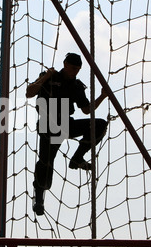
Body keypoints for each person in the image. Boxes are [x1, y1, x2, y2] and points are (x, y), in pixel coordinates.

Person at [26, 53, 108, 216]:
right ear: (65, 64)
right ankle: (39, 196)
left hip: (65, 123)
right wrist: (46, 77)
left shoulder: (76, 86)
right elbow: (29, 92)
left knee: (99, 125)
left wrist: (102, 96)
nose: (74, 72)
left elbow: (86, 109)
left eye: (77, 69)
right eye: (72, 68)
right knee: (46, 163)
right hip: (48, 124)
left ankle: (77, 158)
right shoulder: (49, 76)